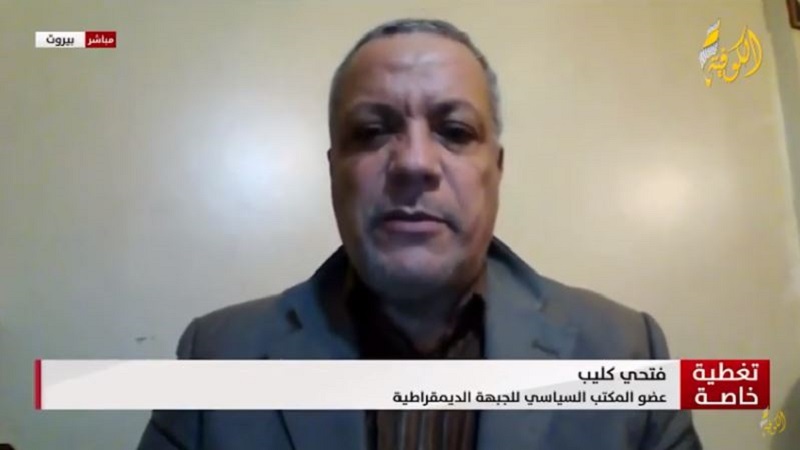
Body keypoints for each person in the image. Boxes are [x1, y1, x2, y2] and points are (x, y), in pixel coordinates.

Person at [138, 18, 702, 450]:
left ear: (496, 170)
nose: (413, 162)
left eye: (454, 130)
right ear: (334, 171)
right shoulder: (217, 356)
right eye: (372, 131)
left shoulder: (627, 352)